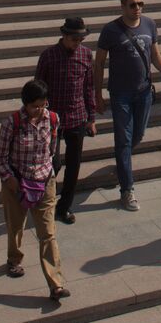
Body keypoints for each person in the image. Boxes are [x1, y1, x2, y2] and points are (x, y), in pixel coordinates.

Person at [94, 0, 161, 211]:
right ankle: (127, 190)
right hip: (120, 94)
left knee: (137, 134)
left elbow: (154, 53)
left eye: (140, 4)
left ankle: (122, 162)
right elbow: (98, 63)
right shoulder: (110, 30)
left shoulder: (150, 24)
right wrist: (97, 94)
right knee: (124, 139)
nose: (137, 8)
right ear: (122, 6)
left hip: (144, 91)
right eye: (132, 5)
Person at [0, 79, 69, 300]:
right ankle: (14, 259)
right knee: (16, 226)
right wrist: (9, 178)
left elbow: (52, 149)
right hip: (16, 184)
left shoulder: (53, 119)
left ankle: (56, 284)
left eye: (43, 105)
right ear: (25, 103)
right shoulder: (11, 123)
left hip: (45, 182)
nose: (40, 110)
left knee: (48, 233)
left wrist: (48, 172)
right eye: (35, 106)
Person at [34, 17, 96, 225]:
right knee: (53, 163)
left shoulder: (86, 54)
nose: (77, 43)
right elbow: (38, 88)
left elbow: (89, 87)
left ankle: (65, 206)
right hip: (52, 119)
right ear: (64, 36)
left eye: (81, 39)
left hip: (77, 117)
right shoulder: (48, 56)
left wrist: (91, 117)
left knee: (74, 164)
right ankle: (43, 200)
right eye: (74, 39)